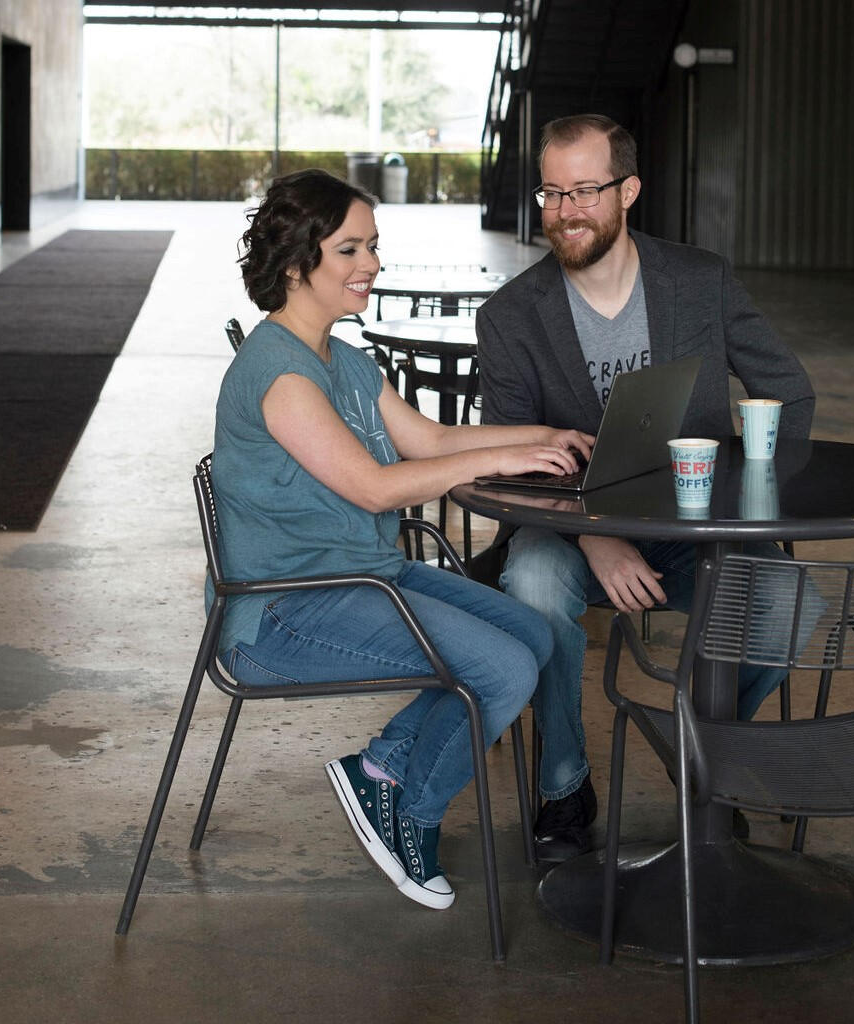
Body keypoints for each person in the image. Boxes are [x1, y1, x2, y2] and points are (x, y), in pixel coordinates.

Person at [209, 169, 593, 910]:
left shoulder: (345, 361)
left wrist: (545, 436)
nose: (372, 264)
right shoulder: (280, 375)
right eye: (350, 249)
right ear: (296, 263)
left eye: (373, 246)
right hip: (282, 610)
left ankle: (381, 768)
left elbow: (433, 440)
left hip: (362, 574)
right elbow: (377, 488)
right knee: (502, 670)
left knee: (534, 636)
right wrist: (508, 457)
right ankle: (410, 810)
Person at [475, 114, 816, 860]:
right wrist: (596, 539)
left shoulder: (699, 282)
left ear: (628, 191)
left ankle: (703, 759)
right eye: (552, 192)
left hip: (695, 529)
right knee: (533, 583)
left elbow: (788, 392)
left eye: (586, 191)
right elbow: (508, 460)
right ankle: (563, 785)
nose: (565, 211)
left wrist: (751, 507)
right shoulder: (510, 317)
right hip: (566, 534)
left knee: (790, 601)